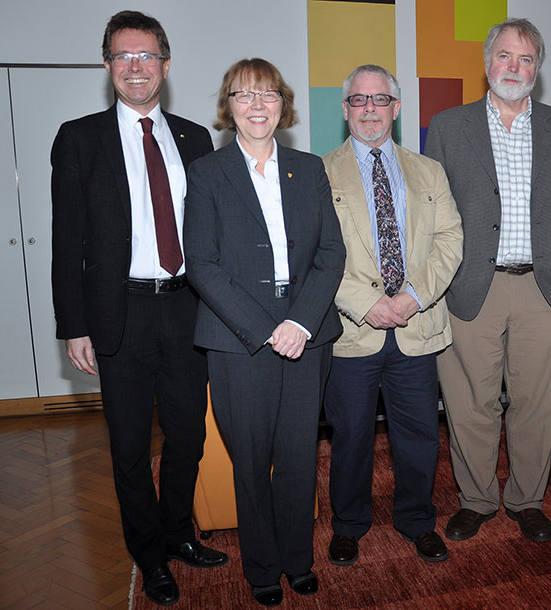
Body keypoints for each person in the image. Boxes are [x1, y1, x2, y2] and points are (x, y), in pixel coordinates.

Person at [50, 10, 227, 606]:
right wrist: (73, 325)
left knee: (188, 437)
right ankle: (149, 555)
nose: (135, 66)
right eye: (123, 56)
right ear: (107, 66)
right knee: (129, 447)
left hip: (186, 311)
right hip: (118, 314)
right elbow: (66, 239)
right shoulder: (79, 138)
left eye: (146, 55)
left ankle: (178, 533)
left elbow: (211, 232)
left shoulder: (194, 138)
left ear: (165, 66)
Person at [183, 58, 345, 606]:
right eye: (244, 94)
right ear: (228, 106)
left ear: (283, 105)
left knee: (299, 456)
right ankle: (261, 569)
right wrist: (266, 328)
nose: (257, 105)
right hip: (238, 339)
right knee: (250, 461)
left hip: (307, 330)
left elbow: (331, 252)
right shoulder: (207, 172)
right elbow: (201, 263)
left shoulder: (309, 168)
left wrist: (298, 322)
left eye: (268, 94)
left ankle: (298, 561)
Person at [424, 18, 551, 543]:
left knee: (537, 404)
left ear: (537, 68)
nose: (514, 67)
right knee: (469, 403)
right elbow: (432, 215)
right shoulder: (448, 127)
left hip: (546, 290)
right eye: (504, 56)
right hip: (471, 287)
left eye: (525, 59)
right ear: (486, 62)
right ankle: (476, 500)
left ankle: (526, 500)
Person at [322, 65, 463, 566]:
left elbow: (450, 240)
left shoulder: (429, 171)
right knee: (351, 436)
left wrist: (412, 298)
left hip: (416, 327)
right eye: (358, 100)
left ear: (396, 108)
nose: (369, 109)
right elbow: (315, 253)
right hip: (351, 332)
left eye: (379, 99)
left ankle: (417, 521)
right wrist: (367, 303)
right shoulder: (320, 172)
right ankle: (349, 524)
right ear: (345, 110)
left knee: (420, 435)